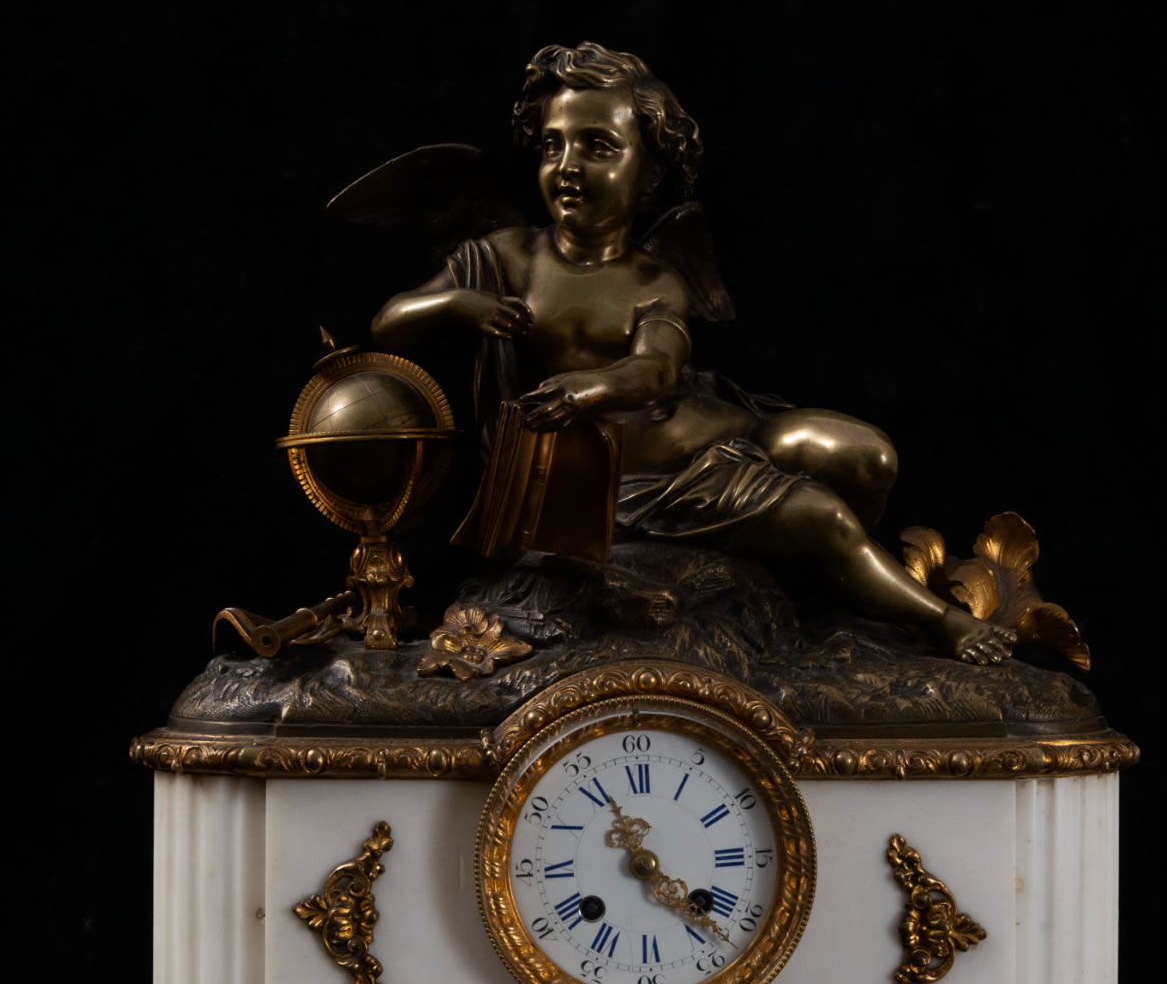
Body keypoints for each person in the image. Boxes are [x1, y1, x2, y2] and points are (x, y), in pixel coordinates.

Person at [371, 42, 1014, 665]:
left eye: (597, 147)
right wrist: (457, 305)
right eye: (552, 144)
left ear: (648, 172)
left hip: (716, 435)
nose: (567, 164)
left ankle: (822, 590)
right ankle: (940, 618)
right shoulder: (501, 256)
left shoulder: (655, 282)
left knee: (870, 455)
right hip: (636, 488)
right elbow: (389, 323)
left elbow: (655, 370)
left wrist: (586, 389)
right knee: (828, 519)